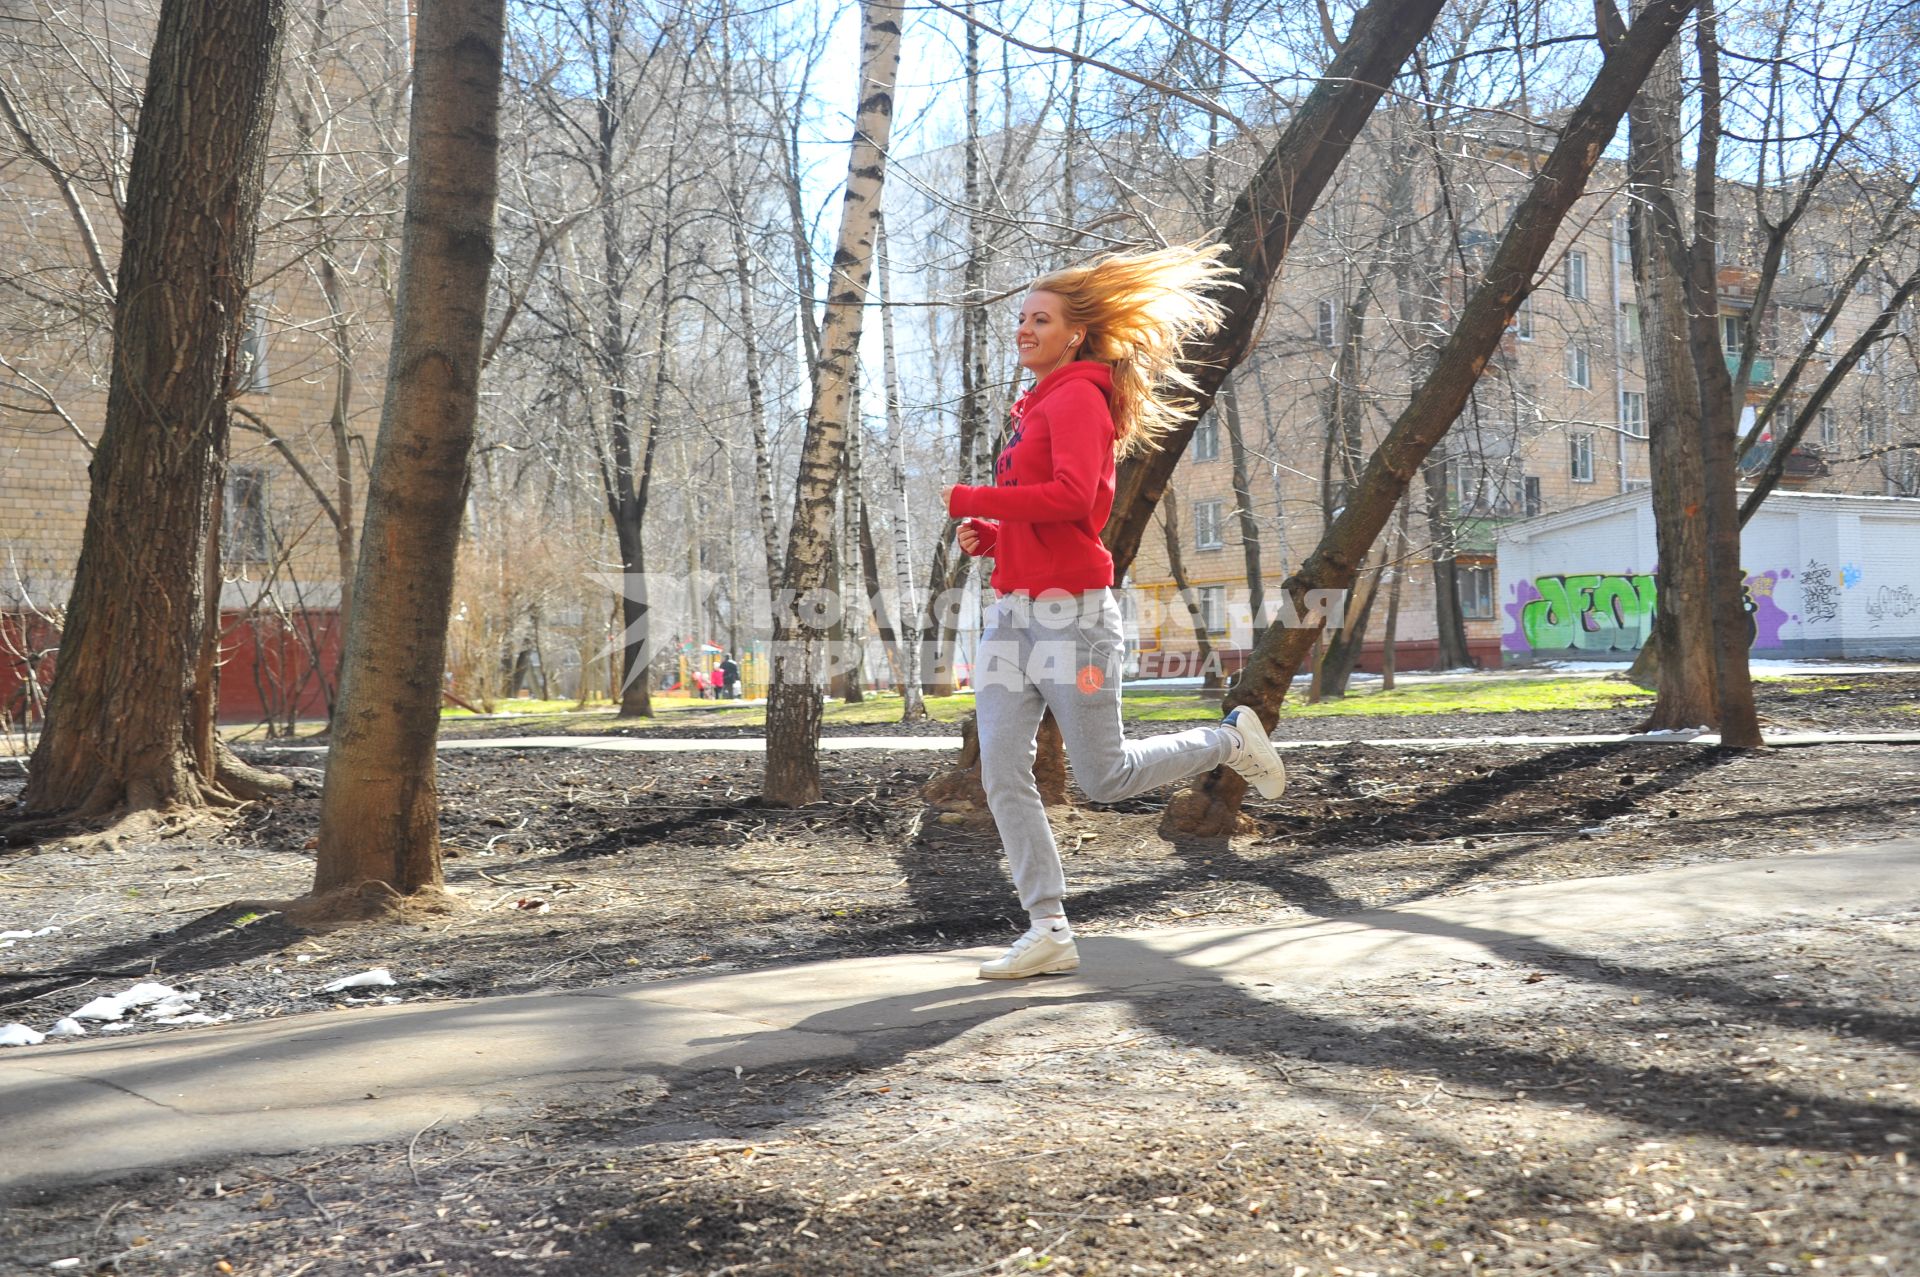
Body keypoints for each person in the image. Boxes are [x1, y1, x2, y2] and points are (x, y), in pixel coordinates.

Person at [944, 243, 1289, 981]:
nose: (1024, 330)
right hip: (1012, 614)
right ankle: (1048, 927)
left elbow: (1079, 502)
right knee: (1003, 771)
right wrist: (994, 535)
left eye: (1040, 319)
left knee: (1102, 776)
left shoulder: (1078, 400)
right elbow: (1045, 516)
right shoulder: (1033, 404)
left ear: (1076, 333)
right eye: (1021, 319)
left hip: (1073, 619)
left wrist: (977, 499)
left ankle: (1229, 741)